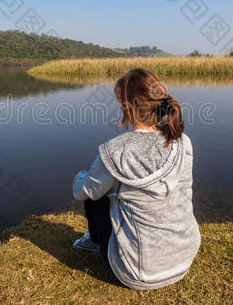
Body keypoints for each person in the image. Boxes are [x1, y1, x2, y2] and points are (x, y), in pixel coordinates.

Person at [72, 68, 201, 290]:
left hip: (138, 273)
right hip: (184, 259)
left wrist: (82, 176)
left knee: (95, 191)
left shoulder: (114, 151)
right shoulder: (183, 141)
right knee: (110, 187)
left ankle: (95, 240)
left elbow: (82, 191)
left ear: (127, 107)